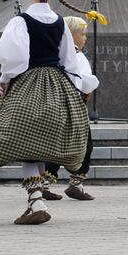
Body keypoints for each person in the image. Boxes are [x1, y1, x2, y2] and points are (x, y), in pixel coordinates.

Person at [0, 0, 95, 225]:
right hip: (57, 84)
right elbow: (69, 60)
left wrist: (4, 80)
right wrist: (74, 90)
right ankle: (38, 197)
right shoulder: (59, 23)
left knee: (23, 142)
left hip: (28, 82)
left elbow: (15, 58)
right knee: (37, 145)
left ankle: (36, 201)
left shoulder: (20, 21)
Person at [42, 16, 100, 201]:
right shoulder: (75, 55)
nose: (85, 38)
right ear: (70, 34)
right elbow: (81, 81)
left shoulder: (53, 53)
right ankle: (75, 183)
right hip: (73, 105)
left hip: (57, 104)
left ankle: (46, 183)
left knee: (55, 143)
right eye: (82, 34)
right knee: (84, 144)